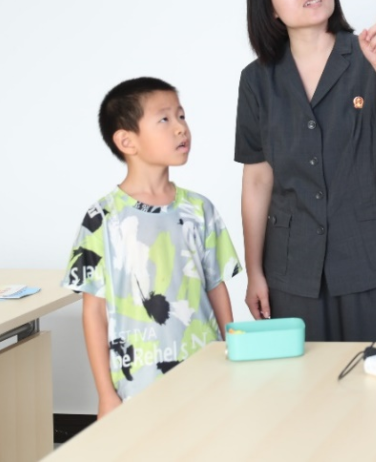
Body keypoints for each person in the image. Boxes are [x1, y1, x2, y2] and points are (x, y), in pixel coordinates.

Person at [235, 0, 376, 343]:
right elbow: (257, 180)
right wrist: (255, 271)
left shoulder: (373, 55)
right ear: (270, 7)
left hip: (372, 256)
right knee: (304, 380)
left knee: (375, 375)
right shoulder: (257, 80)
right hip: (292, 267)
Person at [62, 77, 242, 418]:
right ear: (126, 141)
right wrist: (105, 394)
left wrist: (234, 350)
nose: (180, 128)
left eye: (181, 116)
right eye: (164, 119)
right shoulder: (102, 219)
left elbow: (216, 287)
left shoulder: (199, 210)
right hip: (138, 382)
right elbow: (94, 312)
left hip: (205, 370)